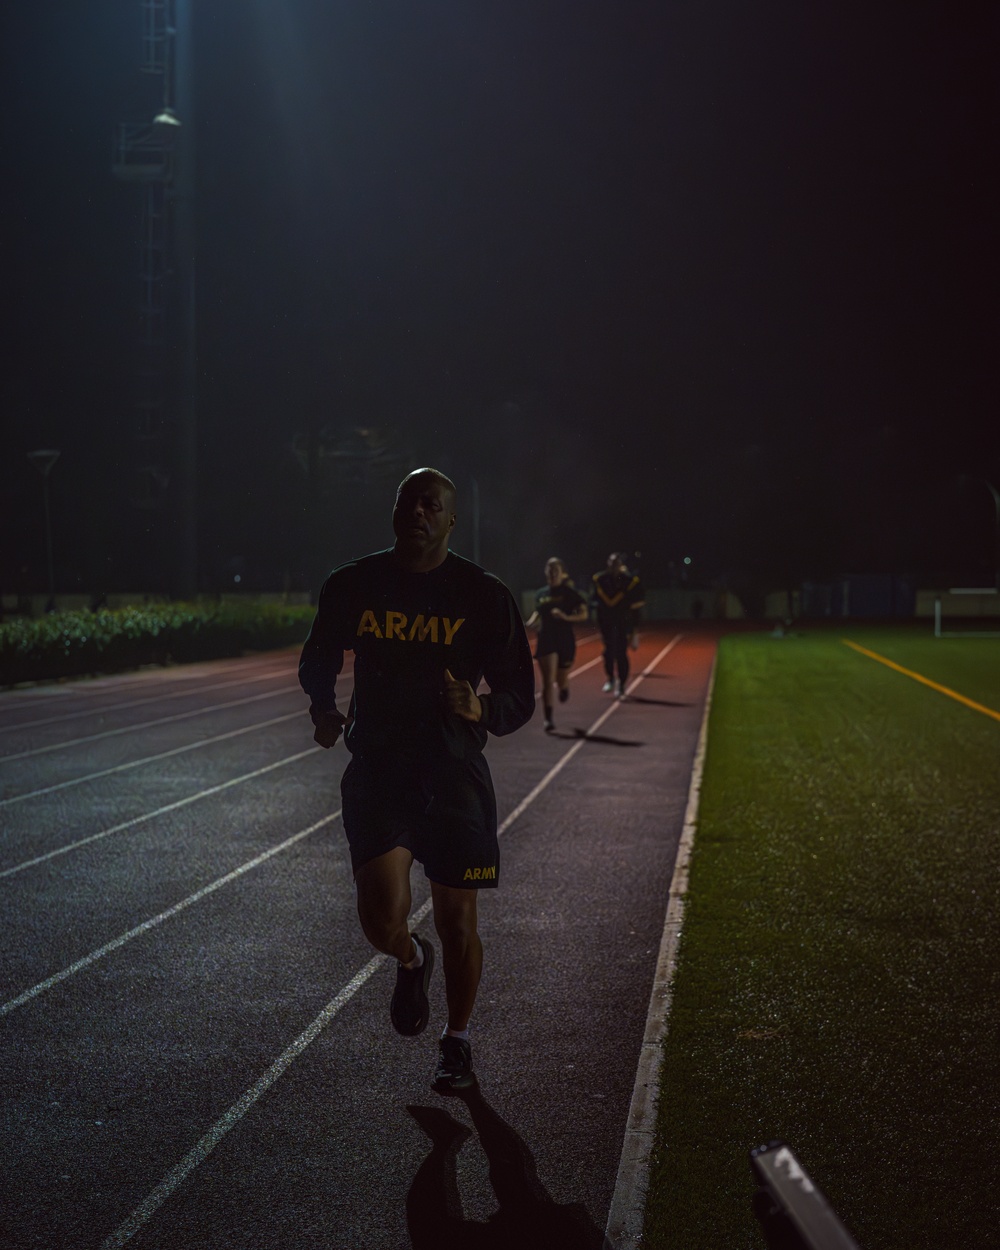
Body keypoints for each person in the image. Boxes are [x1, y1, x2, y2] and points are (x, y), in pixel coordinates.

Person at [298, 468, 534, 1093]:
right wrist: (323, 706)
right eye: (408, 501)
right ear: (395, 510)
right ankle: (410, 956)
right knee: (380, 916)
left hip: (454, 775)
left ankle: (456, 1043)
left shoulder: (484, 595)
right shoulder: (354, 584)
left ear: (451, 520)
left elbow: (519, 695)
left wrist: (479, 707)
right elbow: (319, 654)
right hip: (379, 769)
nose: (418, 512)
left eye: (432, 504)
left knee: (459, 917)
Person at [523, 557, 588, 733]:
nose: (552, 574)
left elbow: (584, 614)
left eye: (555, 570)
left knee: (561, 678)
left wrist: (566, 617)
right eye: (549, 570)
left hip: (565, 639)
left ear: (562, 573)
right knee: (547, 680)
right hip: (546, 638)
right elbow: (538, 611)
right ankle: (548, 719)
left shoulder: (569, 593)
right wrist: (530, 621)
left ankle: (564, 687)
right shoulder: (541, 594)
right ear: (546, 572)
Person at [591, 552, 645, 698]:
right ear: (607, 563)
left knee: (621, 653)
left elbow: (640, 600)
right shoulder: (600, 579)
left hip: (622, 621)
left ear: (621, 564)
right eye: (611, 562)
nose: (614, 565)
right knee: (608, 652)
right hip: (606, 622)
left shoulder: (629, 581)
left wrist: (631, 617)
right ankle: (610, 678)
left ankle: (621, 683)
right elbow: (594, 599)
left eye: (617, 563)